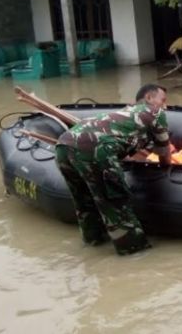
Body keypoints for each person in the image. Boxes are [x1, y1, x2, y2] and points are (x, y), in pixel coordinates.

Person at [54, 84, 172, 255]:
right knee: (116, 204)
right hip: (93, 148)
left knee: (84, 203)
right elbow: (164, 153)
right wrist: (166, 168)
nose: (165, 106)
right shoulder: (155, 113)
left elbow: (120, 144)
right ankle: (134, 251)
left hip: (63, 146)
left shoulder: (123, 114)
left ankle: (93, 242)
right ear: (149, 98)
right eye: (163, 100)